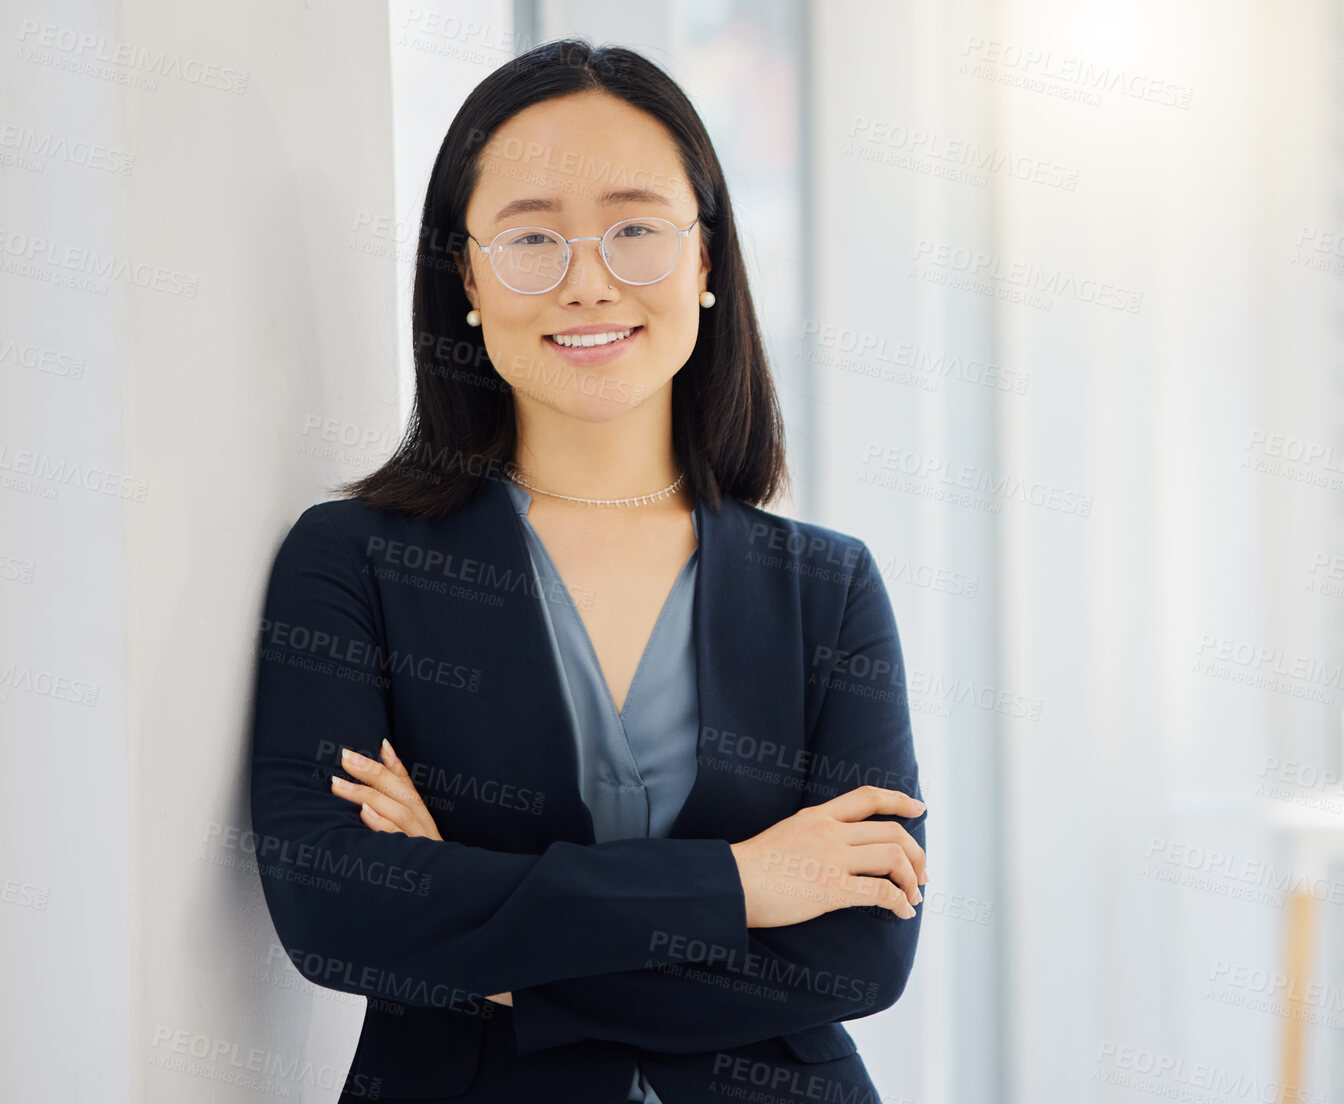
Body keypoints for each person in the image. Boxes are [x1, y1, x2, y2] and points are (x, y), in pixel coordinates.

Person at [248, 38, 927, 1103]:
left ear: (706, 261)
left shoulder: (825, 590)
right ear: (465, 274)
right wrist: (743, 880)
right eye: (531, 237)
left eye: (634, 228)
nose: (588, 280)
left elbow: (858, 953)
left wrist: (496, 954)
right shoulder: (352, 566)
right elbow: (341, 914)